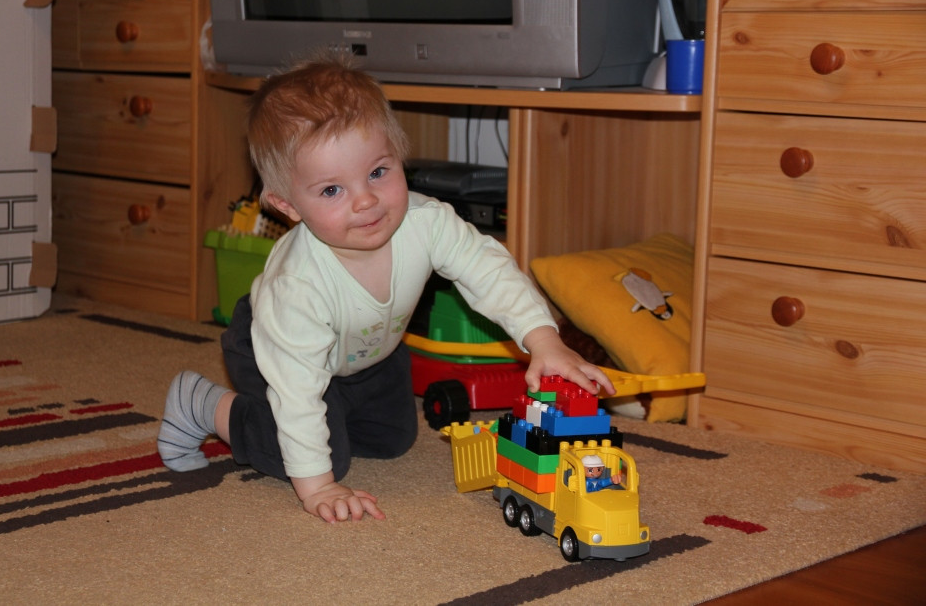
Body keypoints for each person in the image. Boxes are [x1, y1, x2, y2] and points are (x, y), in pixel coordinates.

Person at [157, 53, 616, 524]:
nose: (366, 200)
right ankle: (204, 403)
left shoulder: (426, 222)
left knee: (392, 439)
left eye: (378, 172)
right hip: (276, 349)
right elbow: (297, 395)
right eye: (332, 190)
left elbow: (488, 269)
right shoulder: (296, 286)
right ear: (287, 206)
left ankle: (337, 408)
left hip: (368, 351)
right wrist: (318, 487)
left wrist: (543, 339)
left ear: (399, 157)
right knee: (313, 456)